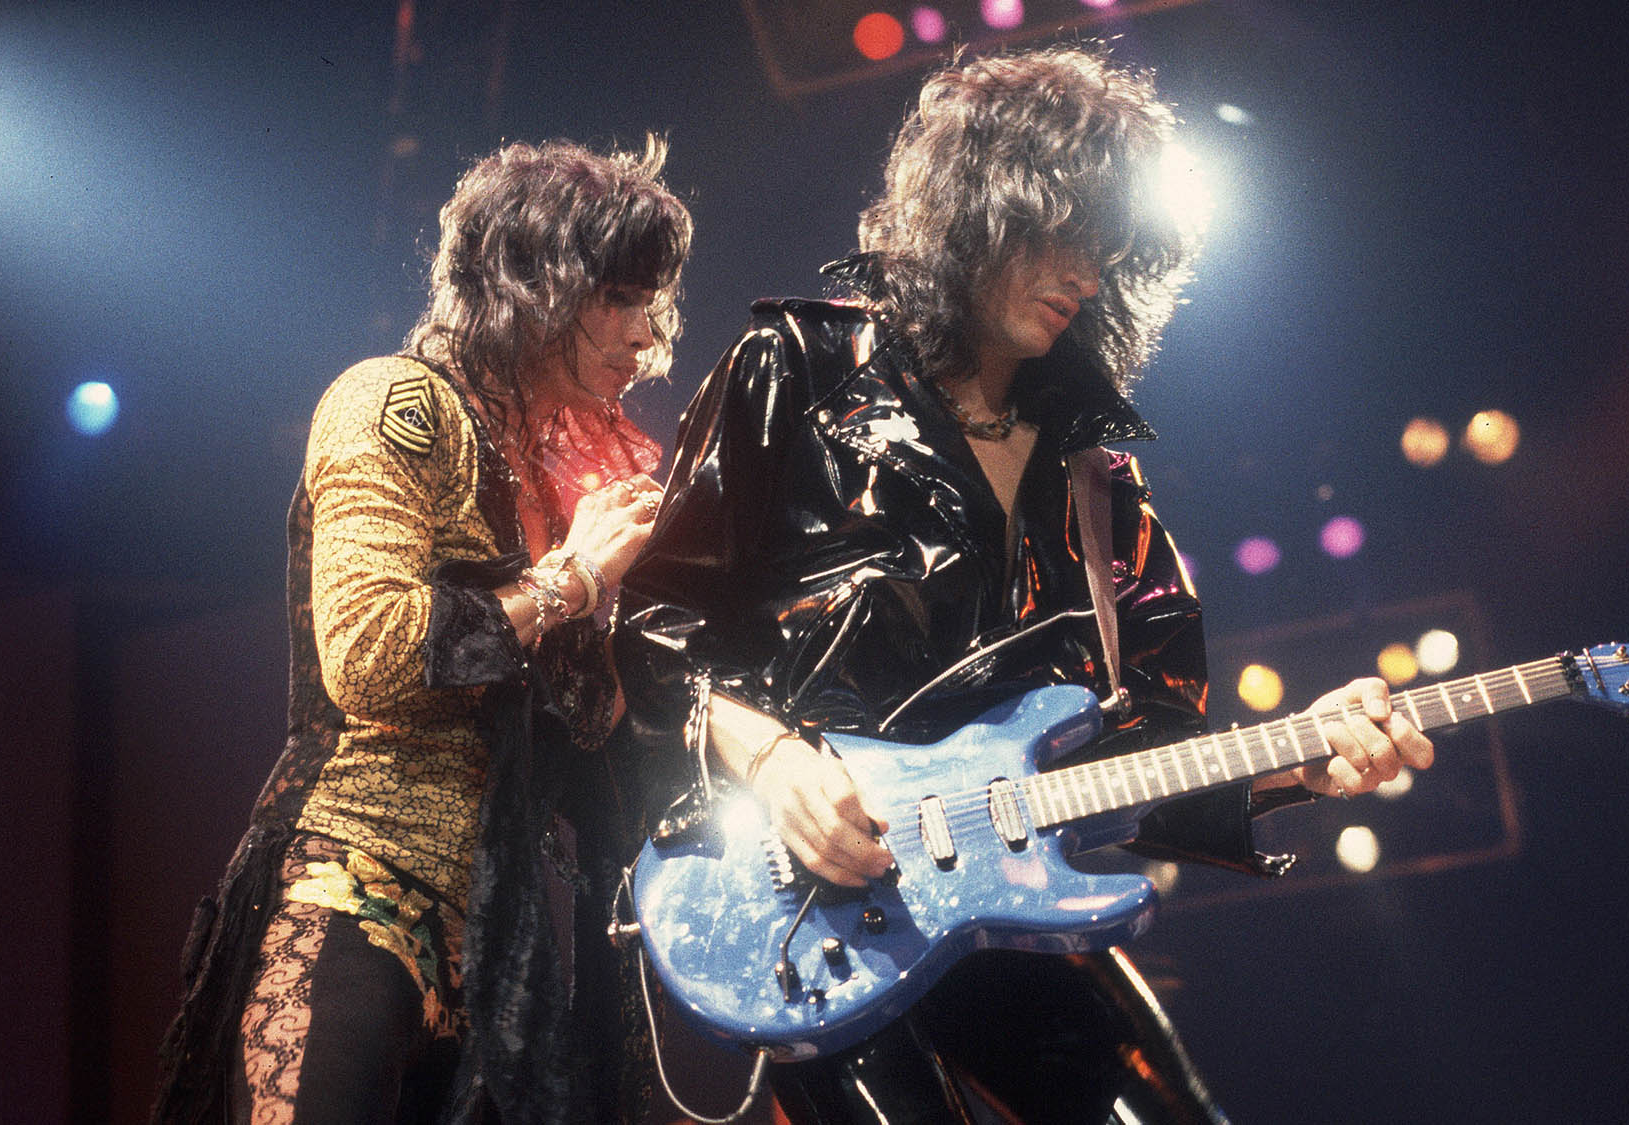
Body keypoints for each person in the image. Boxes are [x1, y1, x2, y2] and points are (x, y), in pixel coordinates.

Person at [615, 45, 1435, 1123]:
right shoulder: (800, 367)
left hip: (1011, 902)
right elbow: (656, 619)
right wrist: (770, 760)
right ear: (983, 208)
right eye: (1063, 234)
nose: (1087, 274)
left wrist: (1301, 766)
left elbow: (1141, 756)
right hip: (808, 896)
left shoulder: (1098, 480)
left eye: (1107, 250)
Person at [152, 138, 691, 1123]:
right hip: (356, 891)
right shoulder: (397, 401)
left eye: (647, 298)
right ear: (536, 288)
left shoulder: (549, 474)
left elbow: (585, 741)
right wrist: (569, 579)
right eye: (616, 295)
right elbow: (370, 651)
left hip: (498, 955)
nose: (642, 331)